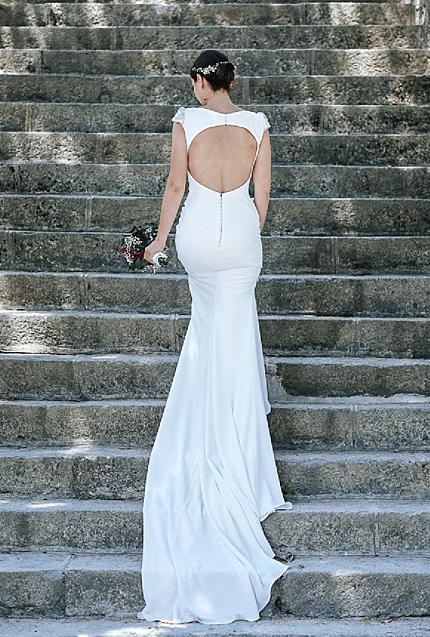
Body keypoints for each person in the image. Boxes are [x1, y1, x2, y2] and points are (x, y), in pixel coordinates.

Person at [138, 50, 292, 624]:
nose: (194, 90)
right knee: (234, 333)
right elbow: (263, 193)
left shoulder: (187, 119)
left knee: (210, 333)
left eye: (195, 82)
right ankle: (243, 453)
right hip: (243, 242)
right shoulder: (257, 125)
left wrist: (157, 242)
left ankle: (212, 429)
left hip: (199, 239)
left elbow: (177, 185)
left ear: (205, 81)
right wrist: (249, 232)